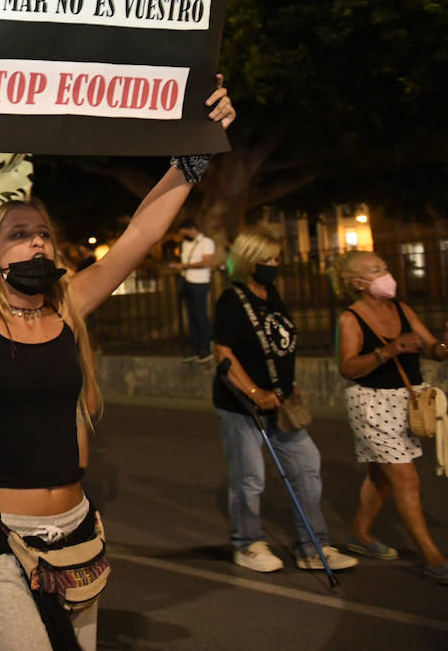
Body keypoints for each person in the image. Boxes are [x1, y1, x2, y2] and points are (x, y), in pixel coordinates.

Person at [0, 60, 234, 651]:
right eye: (18, 233)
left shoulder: (70, 306)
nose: (37, 239)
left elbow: (140, 233)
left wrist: (197, 151)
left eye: (42, 232)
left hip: (77, 537)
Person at [211, 232, 357, 574]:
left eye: (277, 259)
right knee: (249, 478)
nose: (275, 265)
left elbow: (278, 344)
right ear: (249, 260)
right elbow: (223, 351)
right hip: (241, 406)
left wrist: (286, 385)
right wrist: (254, 392)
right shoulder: (233, 299)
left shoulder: (272, 295)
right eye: (269, 259)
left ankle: (313, 545)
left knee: (307, 467)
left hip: (281, 401)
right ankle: (247, 544)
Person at [332, 250, 448, 584]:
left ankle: (359, 534)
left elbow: (432, 348)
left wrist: (442, 347)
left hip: (405, 402)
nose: (387, 274)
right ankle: (433, 557)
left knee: (382, 478)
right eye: (377, 270)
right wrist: (390, 350)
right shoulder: (350, 319)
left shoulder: (402, 309)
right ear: (359, 283)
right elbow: (348, 367)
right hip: (372, 405)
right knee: (406, 479)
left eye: (385, 267)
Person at [172, 219, 216, 363]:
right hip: (188, 282)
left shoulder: (206, 242)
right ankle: (195, 347)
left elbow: (207, 262)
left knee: (200, 315)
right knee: (191, 316)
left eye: (184, 232)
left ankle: (205, 348)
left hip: (200, 282)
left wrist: (185, 266)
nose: (183, 236)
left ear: (191, 229)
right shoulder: (185, 244)